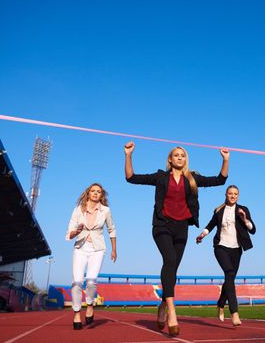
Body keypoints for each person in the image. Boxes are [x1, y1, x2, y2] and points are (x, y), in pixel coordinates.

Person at [124, 141, 229, 337]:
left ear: (185, 160)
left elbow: (220, 180)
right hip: (162, 226)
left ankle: (163, 305)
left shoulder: (192, 178)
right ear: (170, 159)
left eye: (183, 155)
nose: (180, 157)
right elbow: (131, 177)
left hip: (182, 228)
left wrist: (225, 160)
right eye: (176, 155)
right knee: (170, 260)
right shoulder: (160, 177)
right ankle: (172, 312)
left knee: (172, 267)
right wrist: (128, 155)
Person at [196, 185, 256, 326]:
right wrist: (202, 235)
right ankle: (234, 313)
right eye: (230, 193)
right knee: (229, 273)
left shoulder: (243, 210)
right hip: (221, 247)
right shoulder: (218, 210)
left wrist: (245, 219)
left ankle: (220, 304)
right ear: (226, 194)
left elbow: (253, 230)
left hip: (236, 249)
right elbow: (211, 225)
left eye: (235, 194)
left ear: (238, 196)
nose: (233, 196)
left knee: (229, 278)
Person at [65, 183, 117, 330]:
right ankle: (76, 313)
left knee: (91, 281)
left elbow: (111, 230)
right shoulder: (78, 210)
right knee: (76, 283)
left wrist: (114, 249)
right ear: (88, 193)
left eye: (98, 192)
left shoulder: (105, 211)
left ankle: (89, 305)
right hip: (80, 248)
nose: (95, 193)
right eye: (93, 191)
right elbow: (69, 233)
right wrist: (77, 230)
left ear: (101, 195)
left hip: (98, 249)